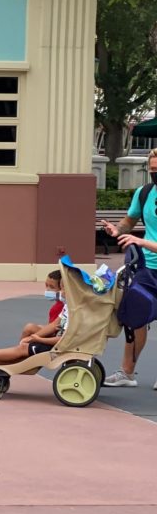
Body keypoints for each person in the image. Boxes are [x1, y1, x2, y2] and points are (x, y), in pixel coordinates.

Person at [101, 148, 157, 388]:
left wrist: (142, 241)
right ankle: (127, 373)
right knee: (136, 317)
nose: (155, 174)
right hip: (147, 268)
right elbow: (129, 220)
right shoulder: (145, 193)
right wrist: (118, 230)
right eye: (153, 170)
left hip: (147, 251)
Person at [0, 306, 66, 374]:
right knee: (24, 347)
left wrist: (39, 339)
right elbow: (53, 325)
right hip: (56, 342)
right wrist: (32, 338)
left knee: (23, 349)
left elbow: (63, 339)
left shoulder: (76, 313)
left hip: (58, 346)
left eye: (63, 289)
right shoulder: (67, 307)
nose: (61, 292)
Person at [21, 270, 64, 341]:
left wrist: (31, 337)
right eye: (46, 285)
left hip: (56, 336)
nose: (47, 289)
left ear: (62, 288)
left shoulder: (62, 306)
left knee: (29, 327)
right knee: (37, 326)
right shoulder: (59, 304)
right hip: (54, 332)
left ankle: (21, 347)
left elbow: (54, 328)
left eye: (52, 287)